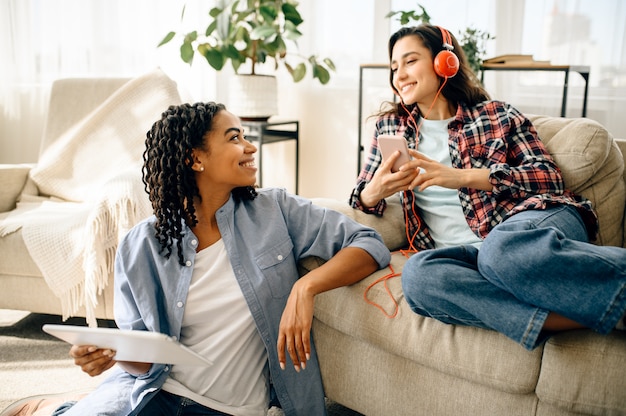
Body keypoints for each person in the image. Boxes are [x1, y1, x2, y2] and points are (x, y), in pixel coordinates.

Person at [25, 102, 390, 416]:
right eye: (234, 138)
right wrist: (110, 355)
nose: (250, 147)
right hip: (157, 397)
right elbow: (144, 362)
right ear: (194, 158)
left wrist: (305, 287)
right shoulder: (141, 245)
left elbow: (368, 243)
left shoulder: (275, 210)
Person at [349, 24, 626, 351]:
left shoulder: (497, 115)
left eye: (410, 61)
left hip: (533, 220)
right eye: (394, 67)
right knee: (418, 278)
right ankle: (574, 317)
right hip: (472, 257)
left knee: (500, 251)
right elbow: (361, 197)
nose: (399, 75)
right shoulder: (391, 127)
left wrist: (463, 176)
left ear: (444, 63)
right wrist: (375, 190)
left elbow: (548, 177)